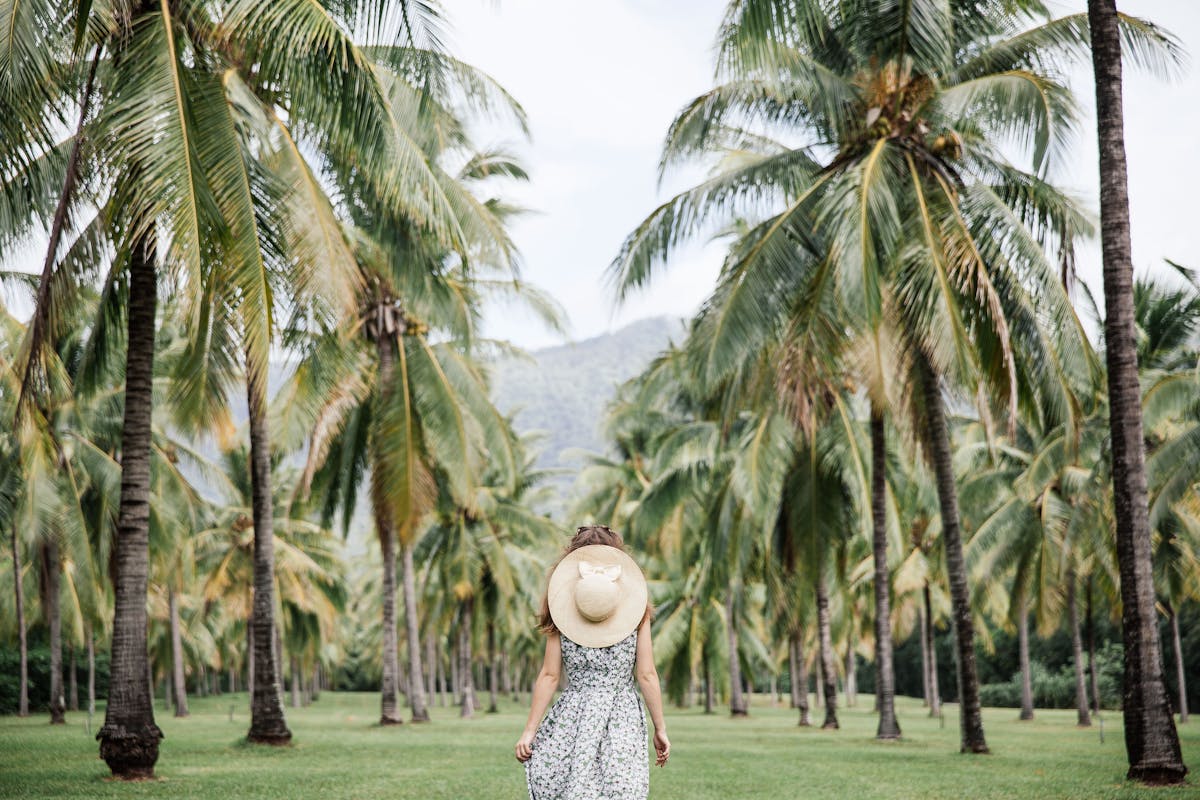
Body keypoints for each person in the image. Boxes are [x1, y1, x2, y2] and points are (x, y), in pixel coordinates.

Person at [514, 525, 670, 799]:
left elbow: (549, 676)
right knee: (621, 789)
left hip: (574, 712)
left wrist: (529, 731)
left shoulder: (561, 610)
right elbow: (646, 674)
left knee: (572, 786)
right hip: (621, 714)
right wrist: (660, 729)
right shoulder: (637, 612)